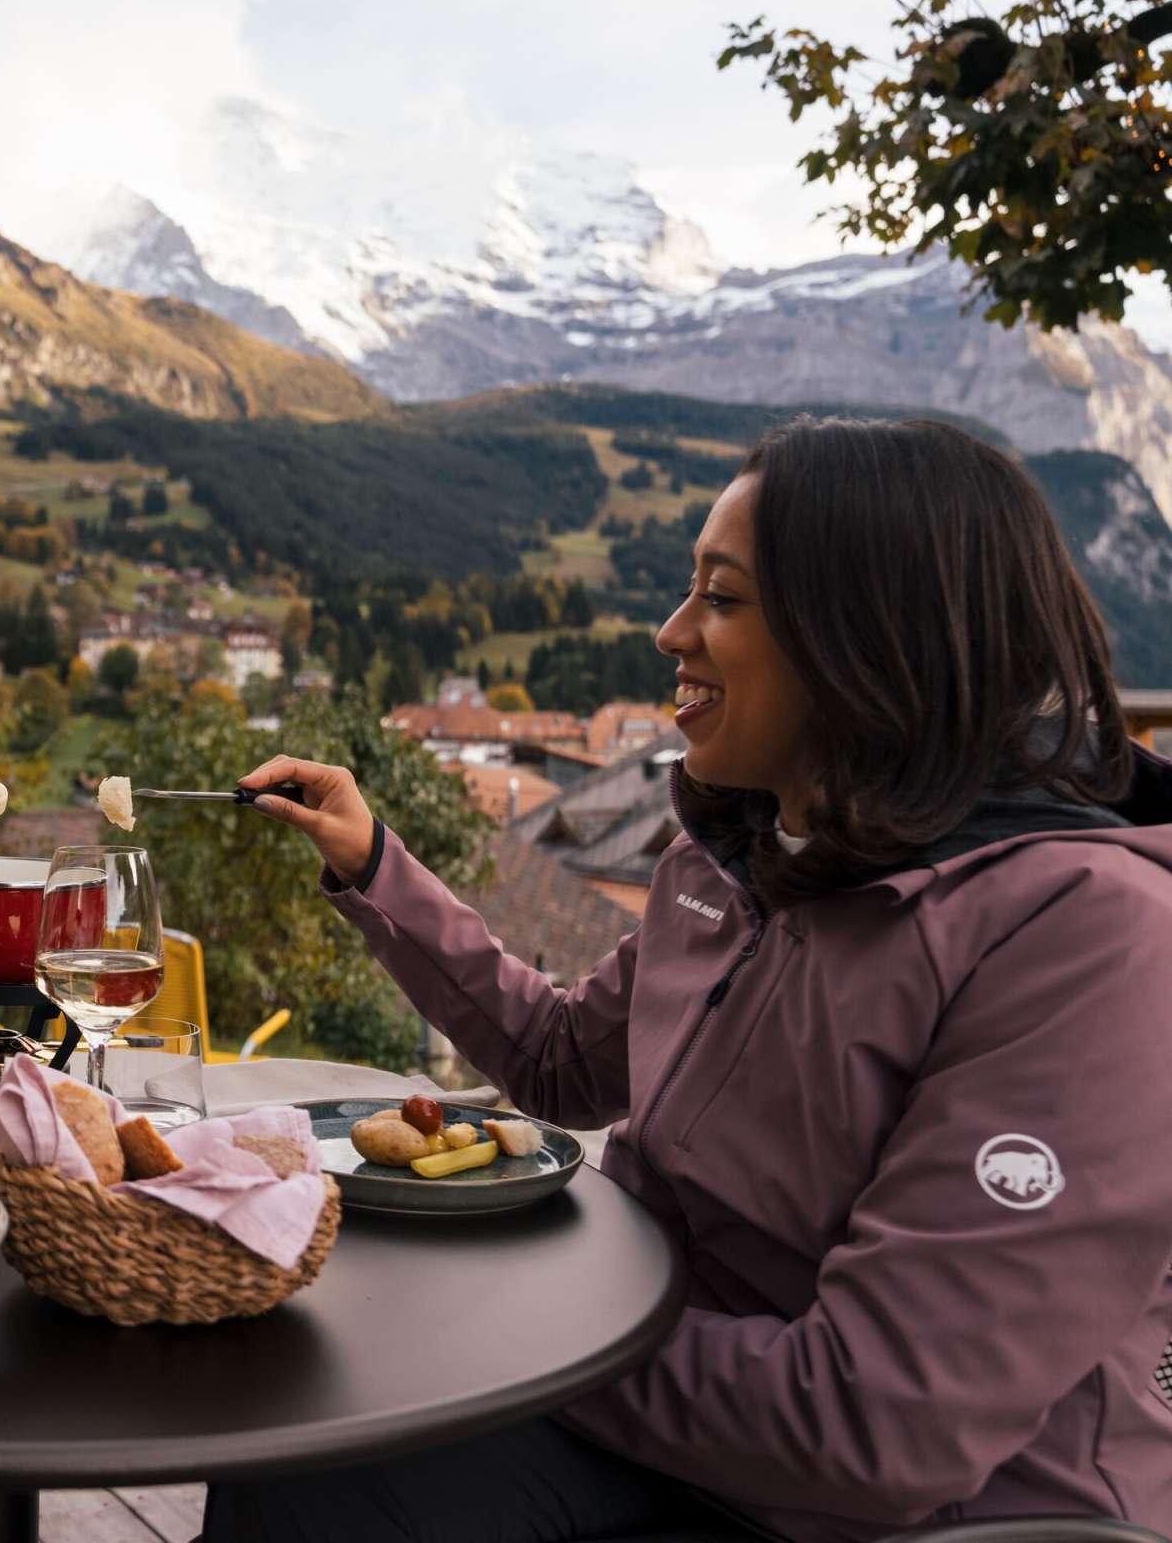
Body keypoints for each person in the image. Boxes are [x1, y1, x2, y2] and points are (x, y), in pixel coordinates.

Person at [213, 416, 1172, 1543]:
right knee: (298, 1449)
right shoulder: (742, 857)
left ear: (866, 634)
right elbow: (560, 1061)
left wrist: (515, 1320)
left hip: (919, 1518)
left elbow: (874, 1421)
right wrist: (375, 864)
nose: (673, 632)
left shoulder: (1086, 937)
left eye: (720, 598)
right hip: (674, 1432)